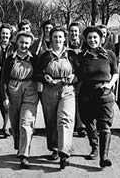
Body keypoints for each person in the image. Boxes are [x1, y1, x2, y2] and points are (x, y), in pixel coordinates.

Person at [37, 26, 78, 169]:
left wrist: (74, 77)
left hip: (67, 89)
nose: (58, 39)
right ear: (50, 38)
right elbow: (36, 73)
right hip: (50, 90)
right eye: (55, 37)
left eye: (60, 37)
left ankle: (64, 153)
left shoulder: (71, 54)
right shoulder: (45, 55)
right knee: (51, 120)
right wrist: (44, 77)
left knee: (65, 119)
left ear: (64, 38)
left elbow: (80, 72)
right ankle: (54, 148)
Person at [78, 26, 118, 168]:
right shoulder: (81, 56)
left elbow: (115, 72)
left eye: (95, 37)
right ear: (86, 40)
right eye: (90, 38)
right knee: (89, 123)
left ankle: (104, 157)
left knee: (104, 125)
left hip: (104, 94)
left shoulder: (109, 55)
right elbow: (77, 75)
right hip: (86, 94)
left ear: (101, 39)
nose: (93, 40)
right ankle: (94, 147)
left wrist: (110, 84)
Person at [2, 31, 39, 169]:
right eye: (21, 42)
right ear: (17, 42)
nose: (24, 45)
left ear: (31, 44)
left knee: (26, 122)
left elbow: (39, 75)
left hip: (30, 90)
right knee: (15, 122)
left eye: (27, 43)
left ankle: (24, 155)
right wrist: (4, 97)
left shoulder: (34, 59)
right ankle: (18, 143)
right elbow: (3, 80)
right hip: (13, 90)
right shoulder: (10, 59)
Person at [0, 23, 14, 137]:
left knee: (10, 101)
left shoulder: (14, 47)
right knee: (2, 101)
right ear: (0, 35)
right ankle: (5, 123)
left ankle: (7, 125)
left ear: (10, 35)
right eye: (3, 33)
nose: (5, 36)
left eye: (7, 34)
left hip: (11, 77)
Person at [67, 22, 87, 138]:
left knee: (80, 101)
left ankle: (81, 126)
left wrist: (78, 76)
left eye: (76, 31)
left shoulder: (84, 46)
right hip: (68, 77)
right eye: (72, 31)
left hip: (80, 77)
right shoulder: (65, 46)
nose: (74, 33)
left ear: (79, 33)